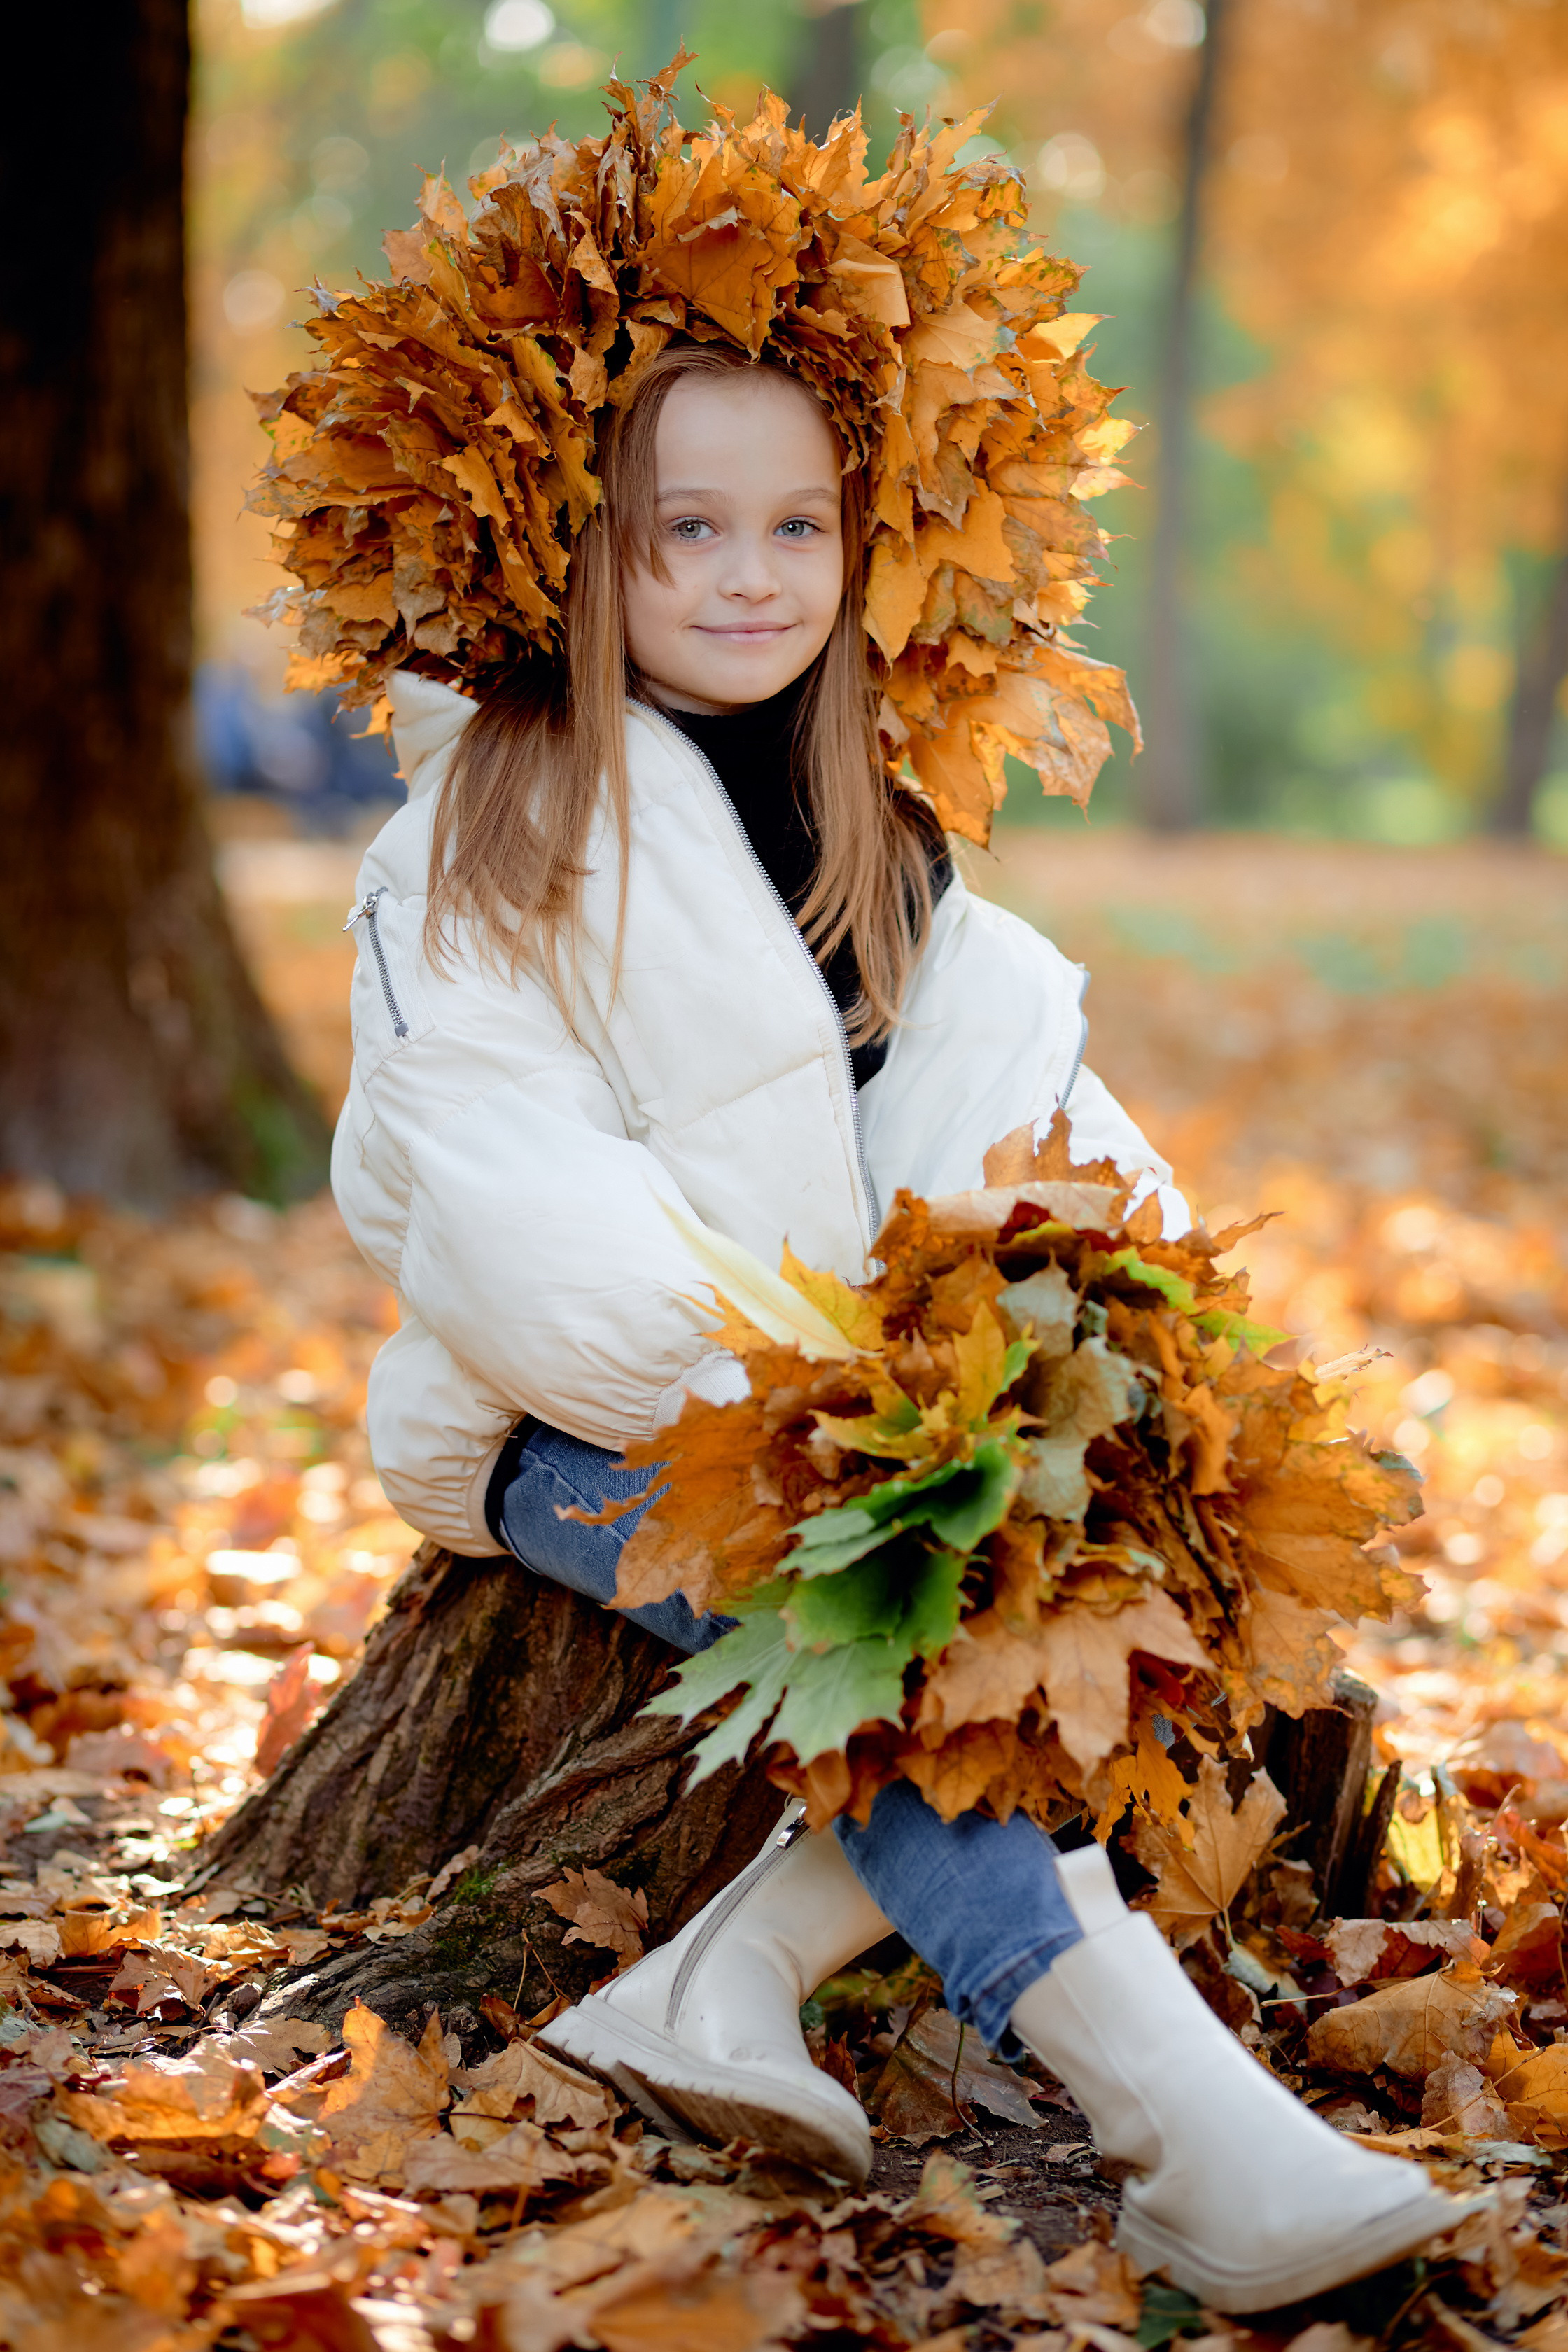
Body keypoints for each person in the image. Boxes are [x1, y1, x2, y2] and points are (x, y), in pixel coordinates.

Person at [327, 333, 1476, 2311]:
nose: (750, 574)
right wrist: (804, 1433)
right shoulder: (480, 835)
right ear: (578, 552)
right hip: (580, 1425)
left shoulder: (887, 835)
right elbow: (508, 1204)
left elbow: (1030, 1137)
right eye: (687, 529)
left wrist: (1144, 1373)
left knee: (1099, 1577)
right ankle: (1183, 2130)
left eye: (798, 525)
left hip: (854, 1435)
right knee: (907, 1630)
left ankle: (725, 1978)